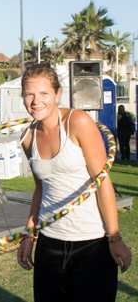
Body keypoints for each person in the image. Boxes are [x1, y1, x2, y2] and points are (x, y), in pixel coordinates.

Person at [16, 64, 132, 302]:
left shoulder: (77, 122)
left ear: (57, 95)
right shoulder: (27, 138)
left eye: (43, 94)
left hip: (91, 244)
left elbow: (101, 181)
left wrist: (114, 237)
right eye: (29, 94)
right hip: (50, 243)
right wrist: (29, 235)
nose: (36, 101)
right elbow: (40, 189)